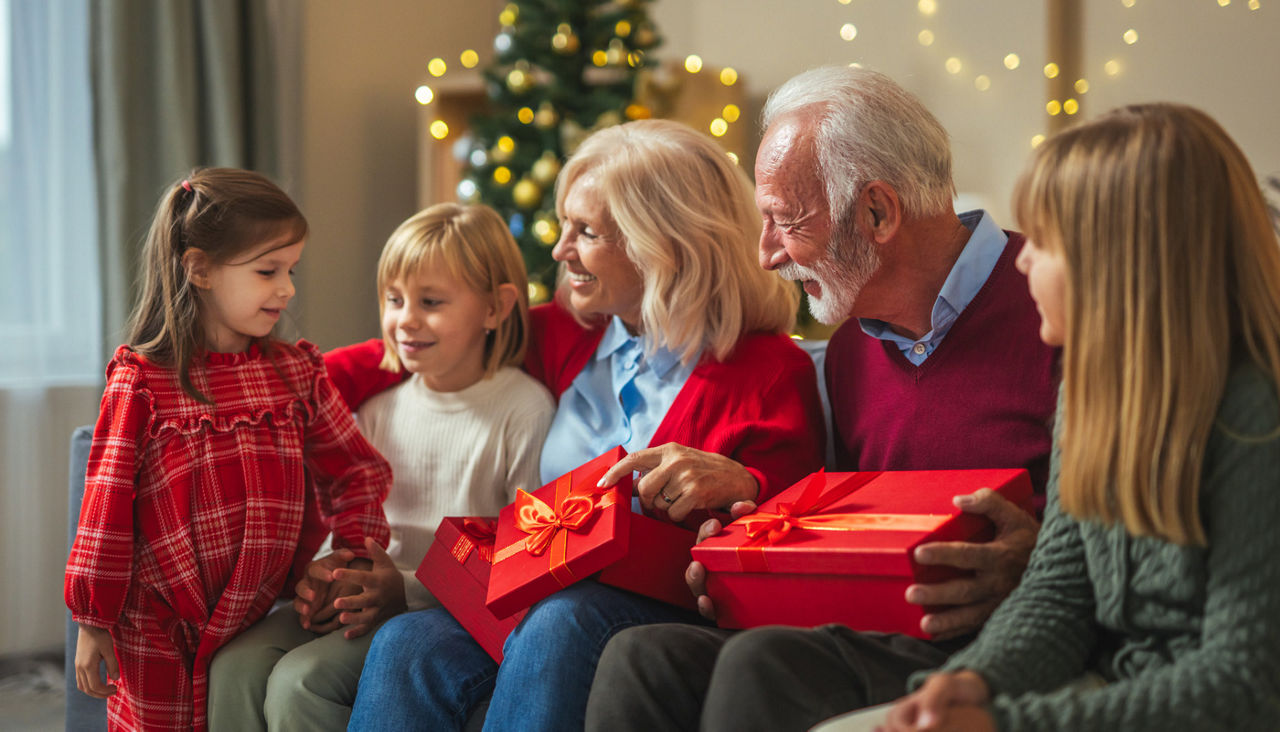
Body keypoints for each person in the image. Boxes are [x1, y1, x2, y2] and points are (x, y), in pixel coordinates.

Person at [586, 66, 1058, 732]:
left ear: (877, 211)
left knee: (763, 664)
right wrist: (748, 561)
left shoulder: (1055, 306)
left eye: (783, 222)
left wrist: (1033, 562)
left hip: (1001, 637)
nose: (767, 255)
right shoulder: (849, 353)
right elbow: (847, 524)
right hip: (882, 628)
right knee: (641, 656)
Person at [330, 119, 827, 731]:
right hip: (532, 594)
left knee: (564, 618)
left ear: (661, 243)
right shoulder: (565, 332)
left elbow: (791, 528)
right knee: (409, 641)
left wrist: (743, 483)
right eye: (566, 226)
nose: (561, 251)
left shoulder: (770, 370)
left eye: (585, 231)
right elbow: (403, 352)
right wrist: (283, 385)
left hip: (652, 608)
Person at [878, 103, 1280, 732]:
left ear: (1121, 262)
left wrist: (1006, 723)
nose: (1022, 261)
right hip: (1111, 690)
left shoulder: (1254, 411)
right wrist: (972, 680)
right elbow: (1059, 594)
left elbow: (1246, 681)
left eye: (1046, 241)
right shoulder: (1088, 393)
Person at [205, 203, 555, 731]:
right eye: (394, 300)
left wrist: (406, 590)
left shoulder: (524, 410)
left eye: (431, 302)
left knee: (301, 682)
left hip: (438, 612)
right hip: (366, 598)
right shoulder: (375, 408)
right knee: (234, 665)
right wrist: (323, 574)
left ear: (496, 308)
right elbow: (345, 512)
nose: (405, 319)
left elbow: (523, 559)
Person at [65, 168, 392, 732]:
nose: (287, 289)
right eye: (268, 271)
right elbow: (105, 512)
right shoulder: (143, 383)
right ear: (200, 270)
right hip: (156, 629)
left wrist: (355, 555)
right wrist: (94, 620)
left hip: (253, 615)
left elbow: (357, 470)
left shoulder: (296, 374)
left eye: (291, 270)